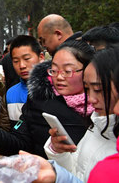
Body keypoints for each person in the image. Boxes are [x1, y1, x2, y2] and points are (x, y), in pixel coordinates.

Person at [0, 40, 94, 159]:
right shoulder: (37, 99)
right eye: (54, 70)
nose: (59, 77)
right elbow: (21, 142)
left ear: (89, 71)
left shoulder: (106, 108)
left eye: (68, 70)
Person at [43, 48, 119, 181]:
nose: (91, 99)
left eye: (98, 89)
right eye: (88, 89)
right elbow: (76, 172)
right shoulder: (96, 124)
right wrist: (59, 153)